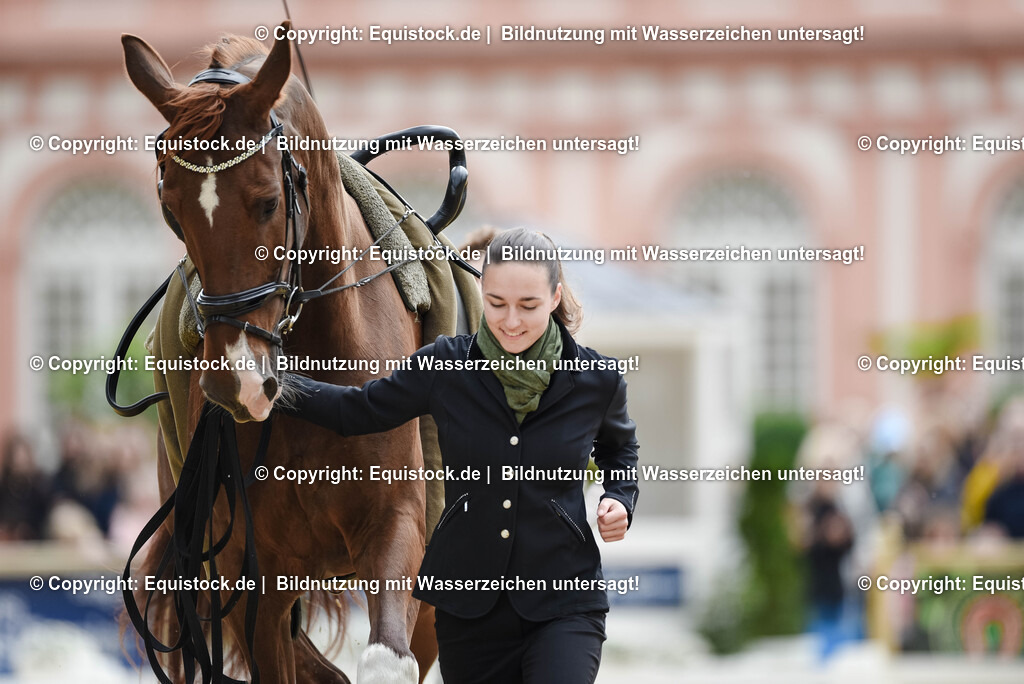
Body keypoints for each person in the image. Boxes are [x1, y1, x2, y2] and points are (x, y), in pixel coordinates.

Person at [283, 227, 639, 683]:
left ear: (554, 297)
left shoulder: (597, 378)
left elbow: (620, 447)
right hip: (468, 608)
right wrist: (276, 383)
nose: (511, 321)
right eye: (496, 303)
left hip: (565, 605)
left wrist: (620, 498)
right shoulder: (444, 366)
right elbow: (359, 410)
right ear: (481, 293)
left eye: (528, 305)